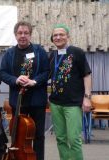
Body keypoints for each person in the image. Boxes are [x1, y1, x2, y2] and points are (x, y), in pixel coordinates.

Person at [0, 21, 49, 160]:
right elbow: (2, 73)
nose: (23, 35)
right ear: (15, 35)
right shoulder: (9, 53)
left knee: (38, 135)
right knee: (19, 135)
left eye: (26, 33)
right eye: (20, 33)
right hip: (18, 102)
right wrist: (15, 80)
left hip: (37, 101)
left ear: (30, 35)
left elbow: (47, 72)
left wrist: (34, 81)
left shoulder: (40, 51)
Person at [49, 24, 92, 160]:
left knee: (74, 139)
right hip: (56, 103)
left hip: (73, 104)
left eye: (61, 34)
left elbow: (87, 75)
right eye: (55, 35)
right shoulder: (52, 55)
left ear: (68, 36)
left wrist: (87, 97)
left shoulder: (77, 52)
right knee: (61, 139)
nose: (58, 37)